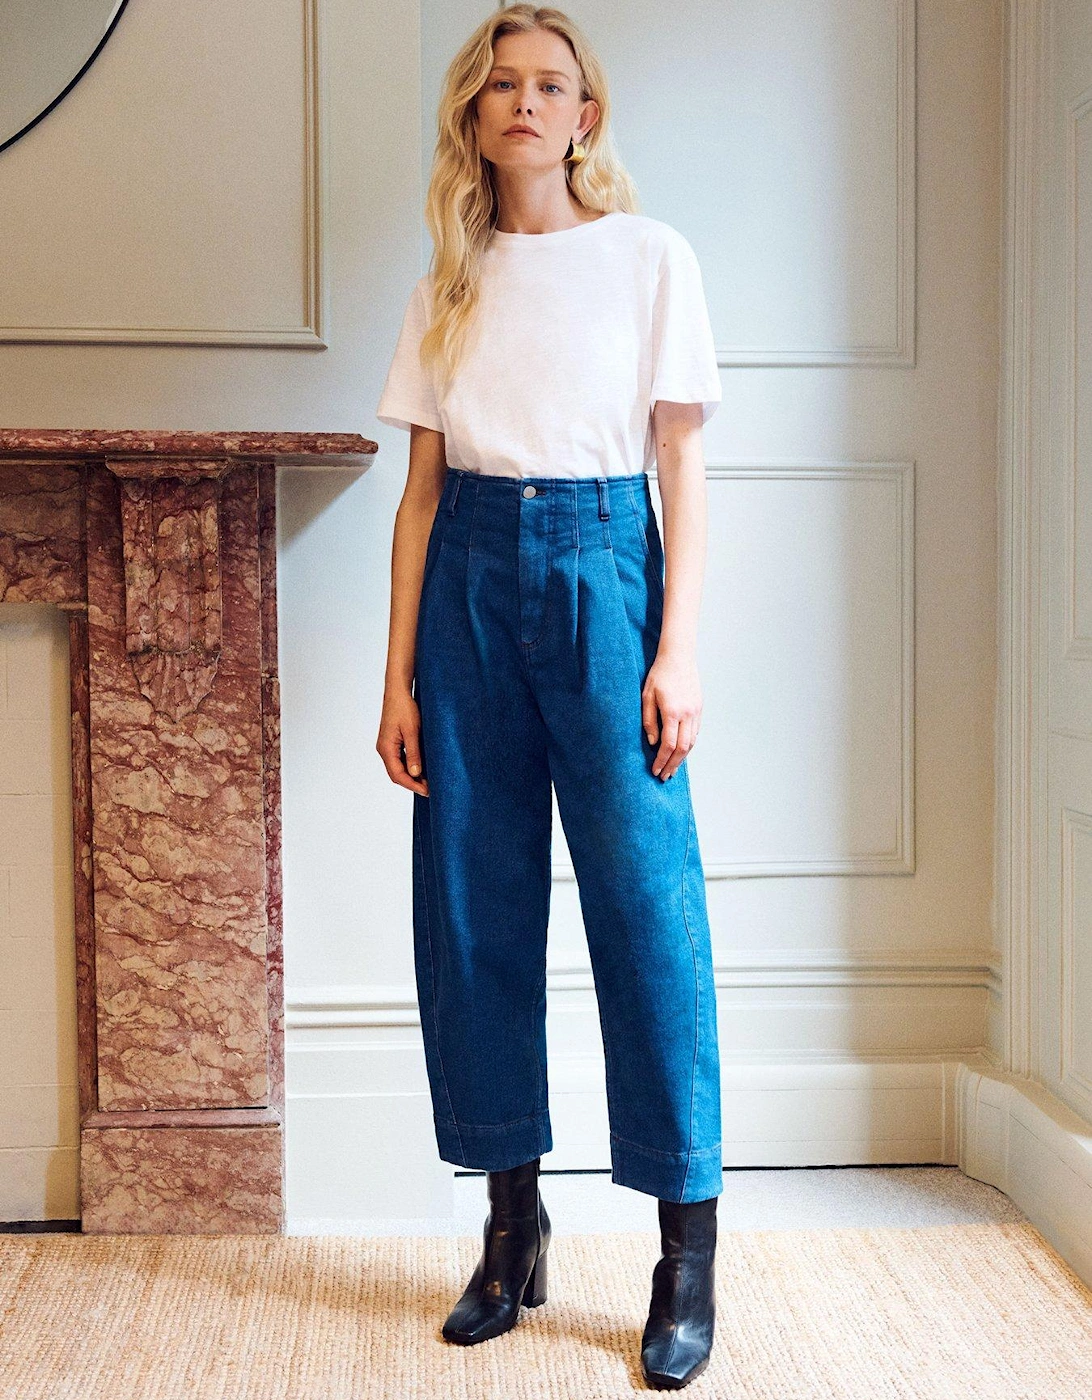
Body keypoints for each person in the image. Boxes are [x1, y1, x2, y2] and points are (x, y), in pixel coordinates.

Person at [375, 4, 723, 1388]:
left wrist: (677, 650)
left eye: (552, 85)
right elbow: (416, 499)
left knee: (647, 905)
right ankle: (512, 1229)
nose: (526, 102)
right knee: (473, 901)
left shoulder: (648, 258)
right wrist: (397, 675)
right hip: (465, 577)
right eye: (502, 84)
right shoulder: (446, 285)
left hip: (602, 569)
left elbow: (682, 468)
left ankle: (685, 1253)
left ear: (587, 116)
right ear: (475, 114)